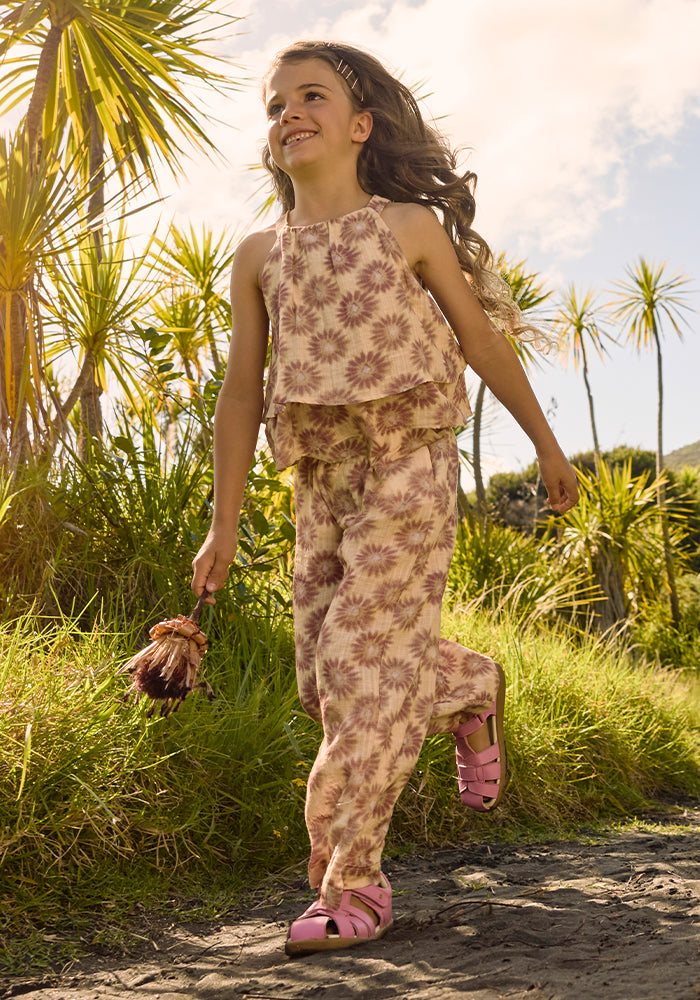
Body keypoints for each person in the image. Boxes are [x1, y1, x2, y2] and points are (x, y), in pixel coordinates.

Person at [191, 39, 579, 957]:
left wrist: (546, 443)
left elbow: (481, 343)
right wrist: (223, 524)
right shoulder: (258, 256)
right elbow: (242, 395)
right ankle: (469, 687)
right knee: (326, 684)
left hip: (411, 464)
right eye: (275, 103)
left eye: (310, 96)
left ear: (360, 126)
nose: (288, 112)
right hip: (320, 480)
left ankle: (351, 883)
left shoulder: (407, 228)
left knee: (362, 676)